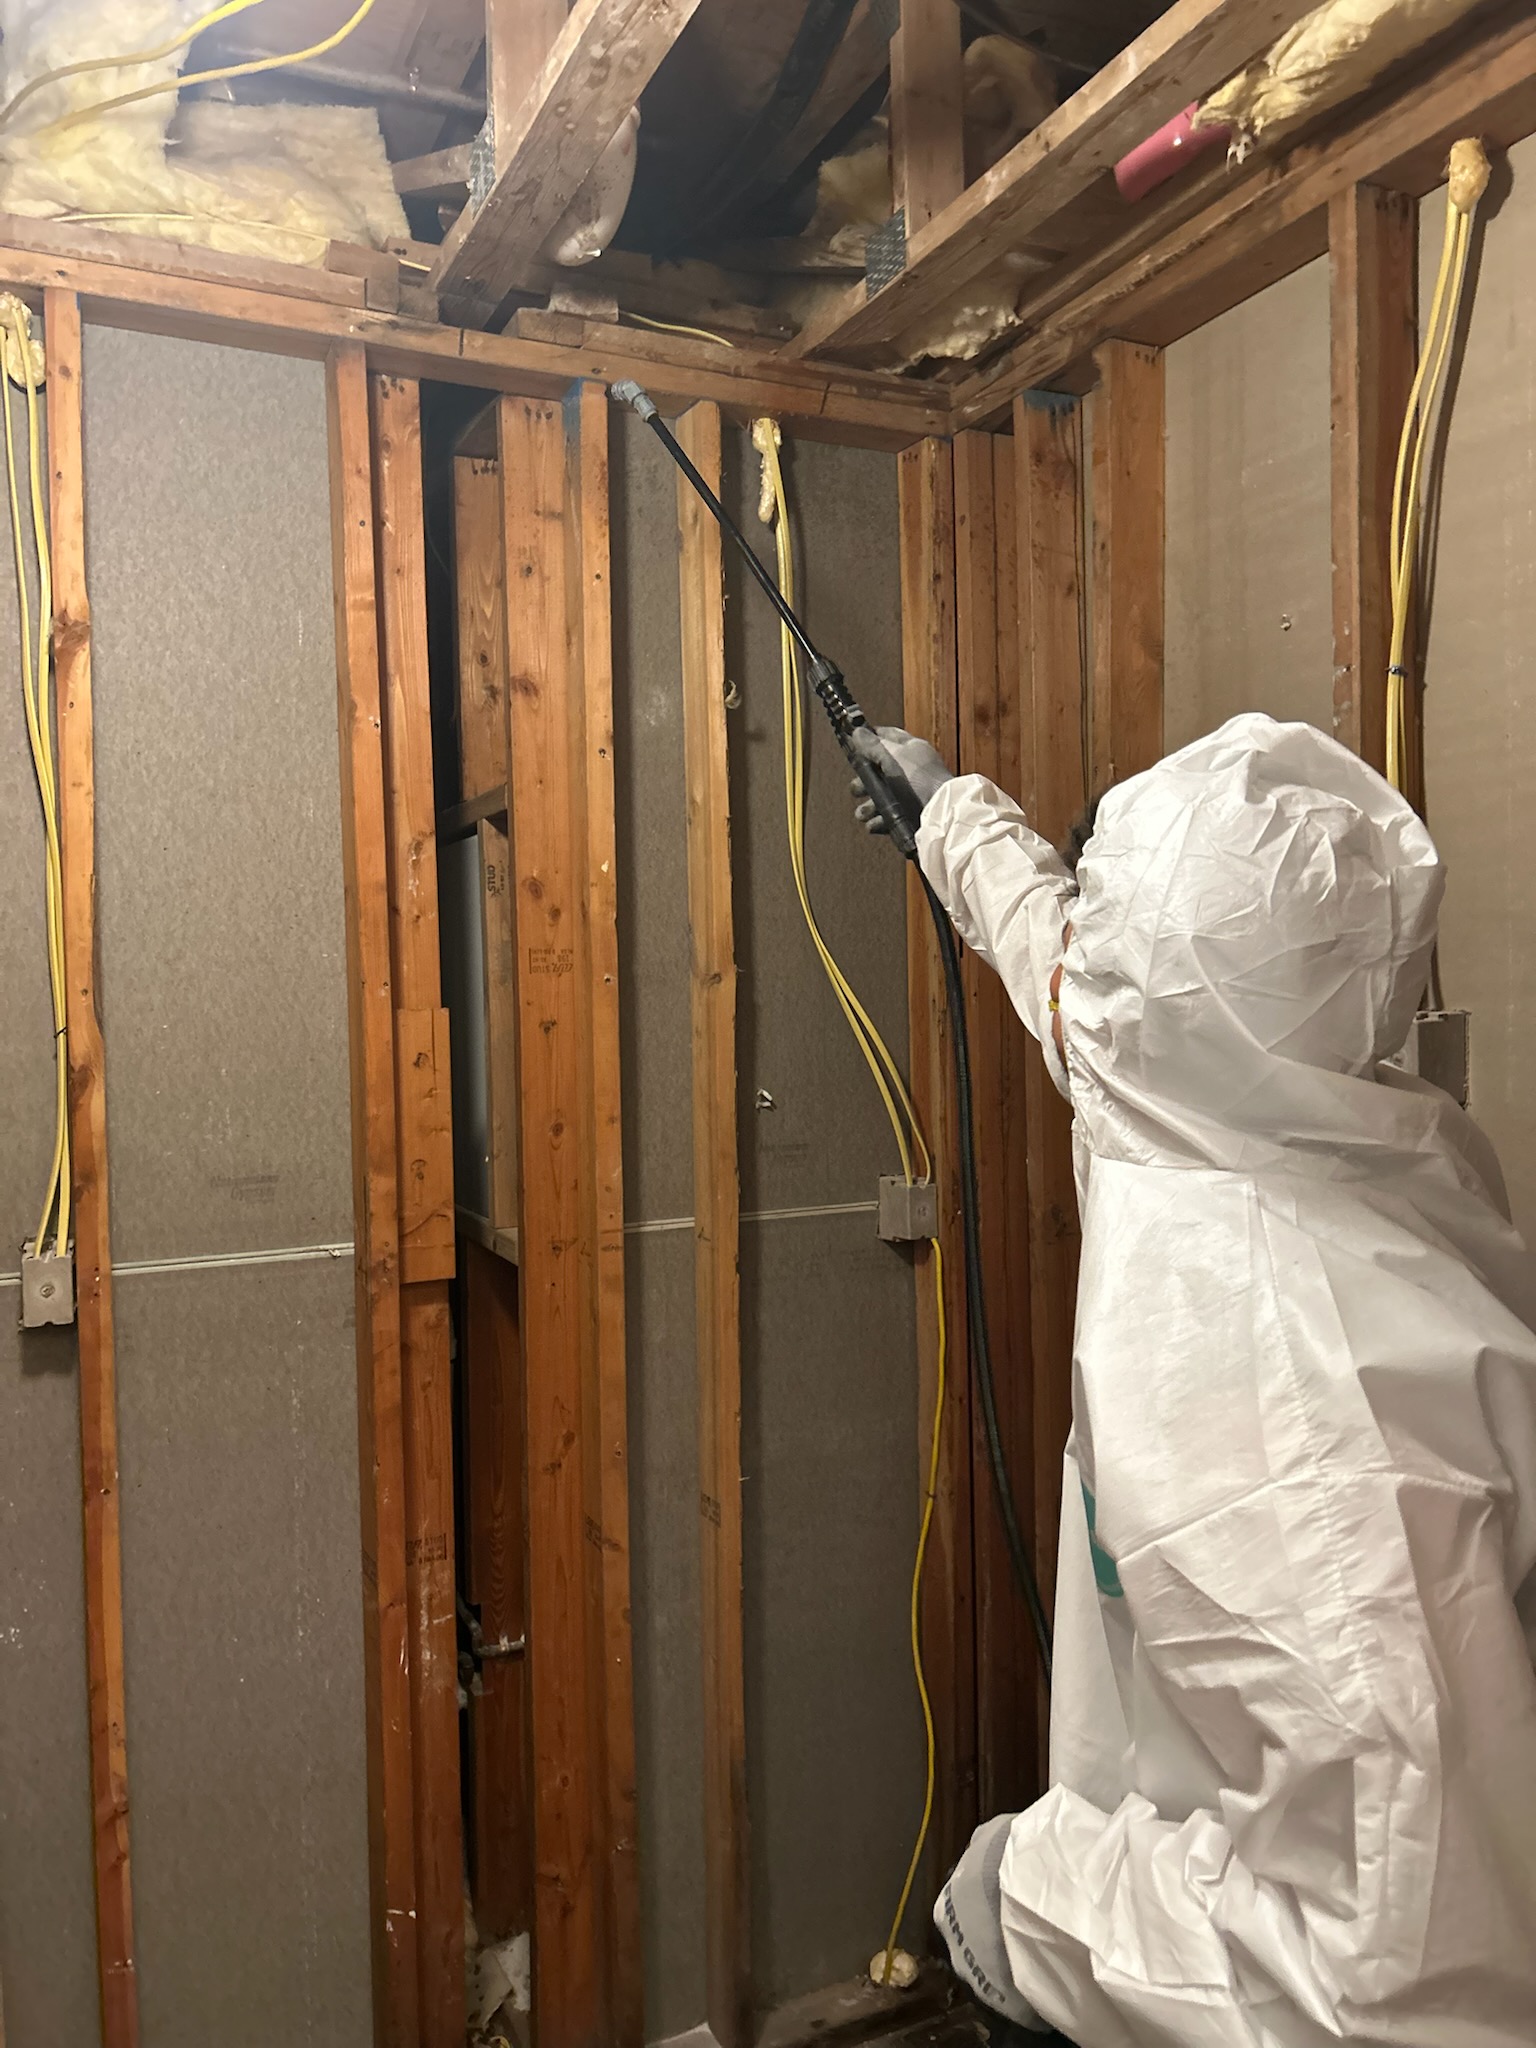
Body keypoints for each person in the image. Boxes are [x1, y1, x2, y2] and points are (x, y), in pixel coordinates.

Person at [853, 713, 1536, 2046]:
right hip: (1221, 1786)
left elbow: (1399, 1983)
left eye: (1109, 903)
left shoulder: (1309, 1408)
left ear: (1158, 974)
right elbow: (1052, 948)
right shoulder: (1261, 1088)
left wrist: (1050, 1902)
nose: (1079, 917)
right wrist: (949, 815)